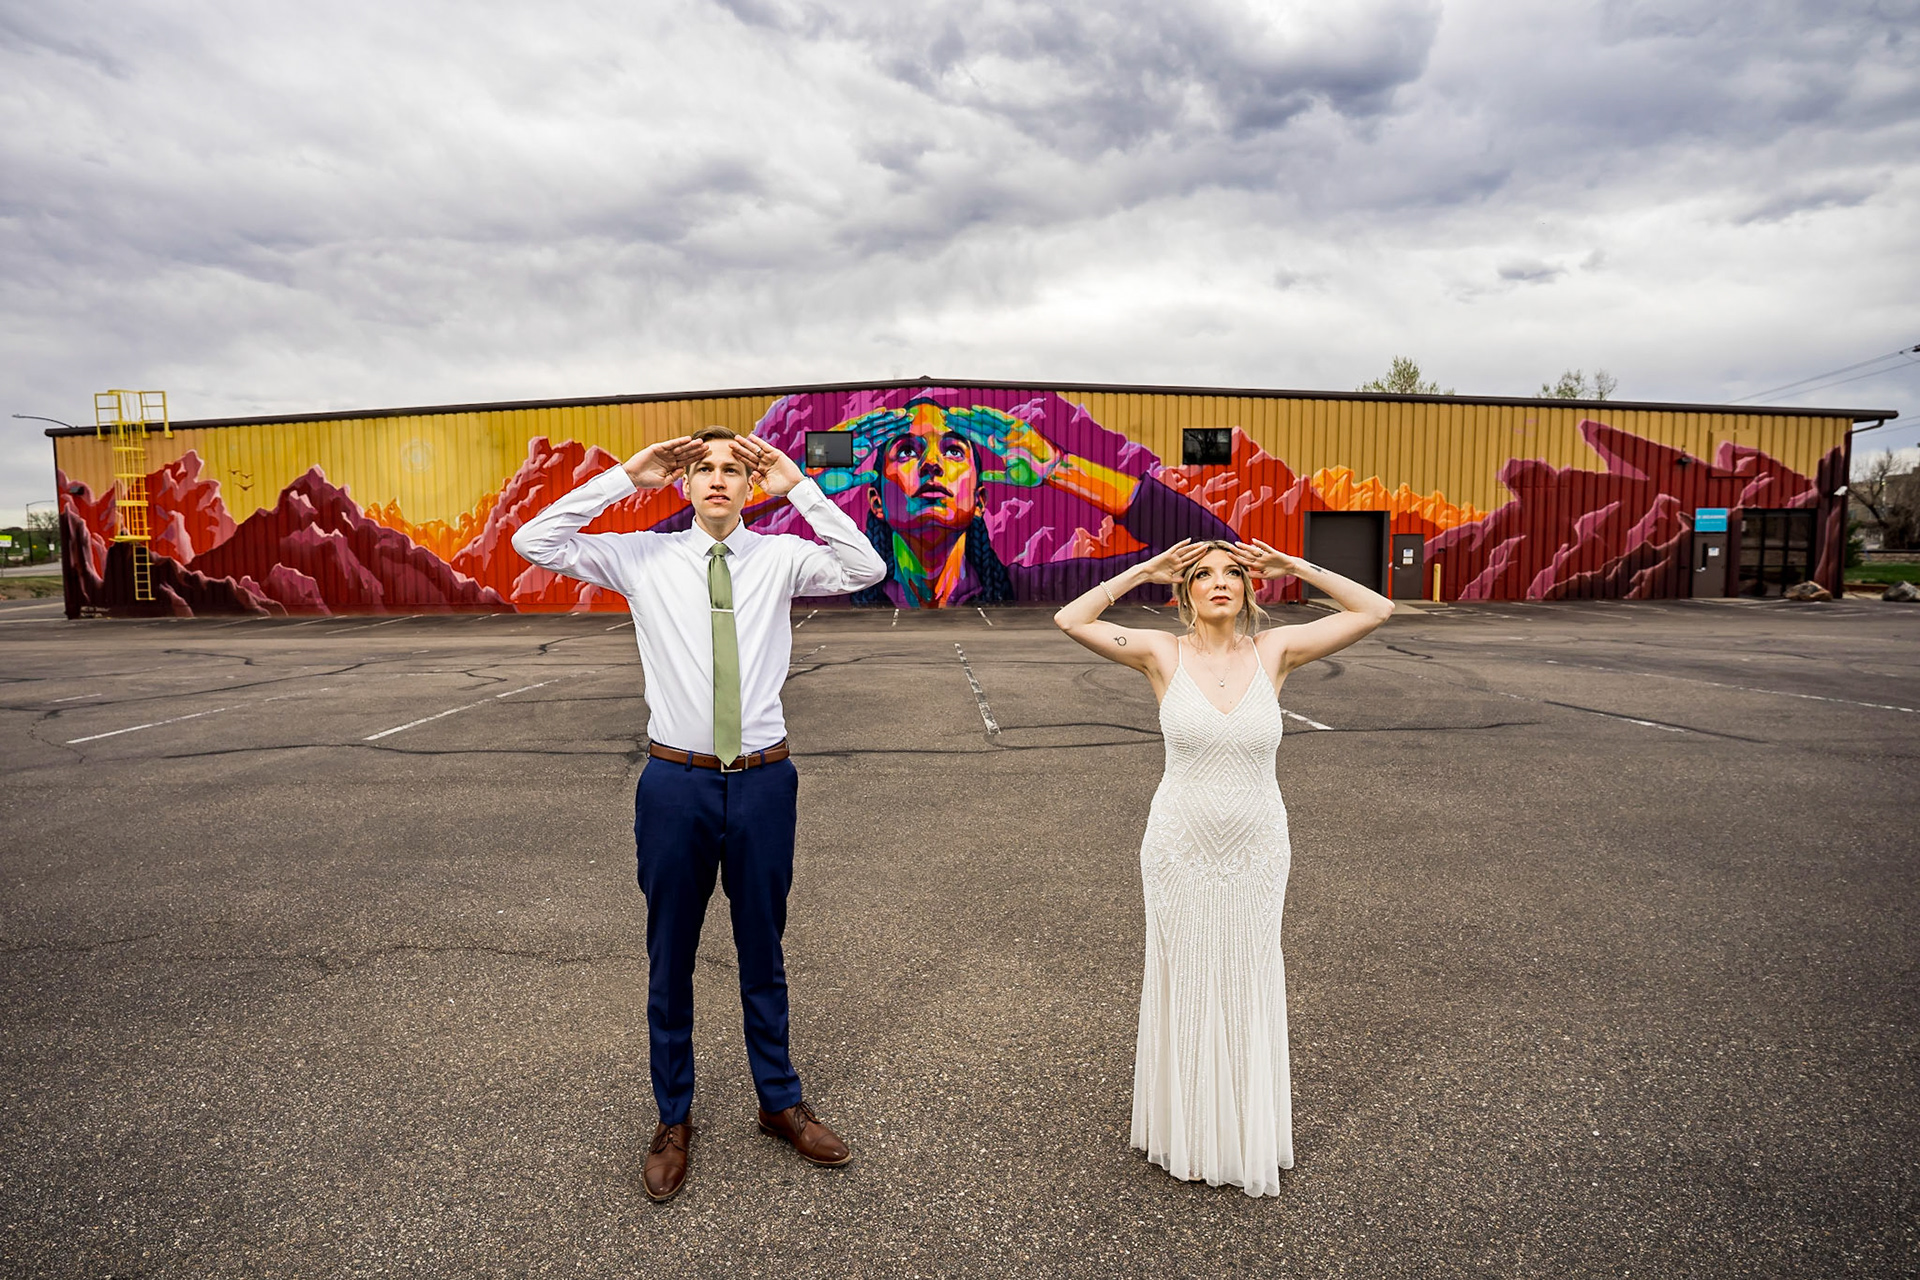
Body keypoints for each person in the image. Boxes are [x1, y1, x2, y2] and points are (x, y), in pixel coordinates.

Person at [511, 427, 887, 1203]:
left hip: (762, 782)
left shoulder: (780, 556)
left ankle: (778, 1102)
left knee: (763, 949)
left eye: (733, 471)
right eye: (704, 469)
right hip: (674, 784)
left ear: (750, 487)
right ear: (684, 483)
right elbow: (534, 539)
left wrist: (799, 485)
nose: (718, 480)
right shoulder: (641, 557)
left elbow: (866, 566)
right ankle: (673, 1117)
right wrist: (626, 477)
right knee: (671, 955)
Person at [1053, 537, 1394, 1195]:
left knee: (1245, 982)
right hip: (1177, 849)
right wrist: (1143, 572)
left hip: (1257, 852)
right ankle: (1185, 1132)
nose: (1219, 582)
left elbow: (1376, 609)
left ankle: (1242, 1134)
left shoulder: (1275, 652)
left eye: (1232, 573)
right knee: (1186, 981)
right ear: (1185, 590)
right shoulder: (1161, 654)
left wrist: (1297, 565)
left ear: (1249, 586)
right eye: (1204, 573)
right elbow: (1071, 619)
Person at [810, 397, 1236, 608]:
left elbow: (1215, 549)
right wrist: (807, 478)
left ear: (980, 500)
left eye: (954, 451)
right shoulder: (821, 593)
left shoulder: (1038, 590)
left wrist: (1059, 468)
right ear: (876, 501)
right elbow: (740, 554)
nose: (932, 465)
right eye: (906, 451)